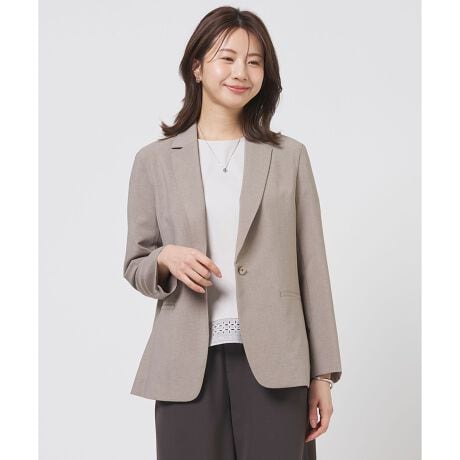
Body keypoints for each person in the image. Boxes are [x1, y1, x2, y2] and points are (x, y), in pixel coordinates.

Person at [123, 6, 342, 460]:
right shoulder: (154, 161)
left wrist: (322, 375)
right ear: (197, 67)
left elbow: (313, 268)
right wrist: (165, 258)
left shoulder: (289, 157)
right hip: (186, 363)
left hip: (278, 362)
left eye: (254, 61)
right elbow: (136, 264)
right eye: (227, 58)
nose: (242, 72)